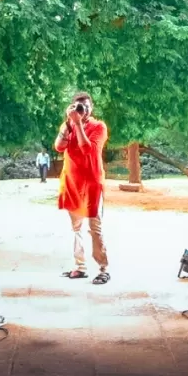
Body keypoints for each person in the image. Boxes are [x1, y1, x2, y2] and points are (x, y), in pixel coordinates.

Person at [54, 91, 110, 284]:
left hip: (92, 183)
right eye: (78, 106)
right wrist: (68, 124)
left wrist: (78, 124)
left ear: (91, 108)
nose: (82, 110)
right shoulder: (68, 125)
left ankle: (103, 268)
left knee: (95, 227)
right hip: (72, 182)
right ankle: (80, 267)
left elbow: (88, 150)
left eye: (85, 106)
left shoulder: (99, 127)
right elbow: (59, 147)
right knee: (76, 228)